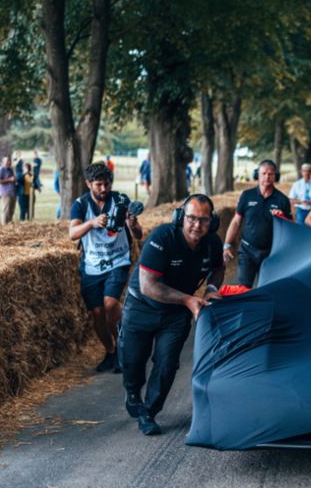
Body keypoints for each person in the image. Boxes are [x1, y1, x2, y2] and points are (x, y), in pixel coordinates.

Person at [120, 194, 224, 435]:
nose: (197, 225)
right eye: (191, 218)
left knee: (166, 363)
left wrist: (211, 288)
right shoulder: (162, 237)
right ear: (180, 217)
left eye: (204, 220)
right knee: (133, 361)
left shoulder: (213, 244)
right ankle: (133, 392)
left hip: (175, 314)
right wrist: (189, 299)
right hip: (141, 306)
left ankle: (149, 412)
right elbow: (148, 286)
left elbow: (219, 268)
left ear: (212, 222)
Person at [69, 162, 144, 373]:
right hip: (91, 265)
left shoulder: (121, 200)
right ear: (88, 183)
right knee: (96, 311)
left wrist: (132, 224)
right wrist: (91, 223)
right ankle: (110, 351)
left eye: (107, 184)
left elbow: (138, 234)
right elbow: (72, 234)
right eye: (99, 185)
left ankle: (122, 348)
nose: (104, 189)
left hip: (118, 260)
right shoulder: (80, 204)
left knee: (110, 304)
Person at [223, 159, 292, 287]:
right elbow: (236, 222)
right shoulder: (246, 196)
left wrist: (282, 217)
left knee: (265, 289)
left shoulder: (282, 200)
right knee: (243, 288)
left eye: (270, 174)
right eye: (263, 173)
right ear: (257, 175)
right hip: (247, 250)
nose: (267, 177)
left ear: (275, 176)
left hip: (270, 253)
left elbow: (290, 228)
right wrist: (226, 245)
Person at [0, 156, 17, 225]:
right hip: (5, 192)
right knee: (6, 210)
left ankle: (9, 223)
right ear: (3, 162)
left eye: (9, 161)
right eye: (7, 161)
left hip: (12, 192)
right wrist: (9, 180)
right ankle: (4, 225)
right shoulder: (1, 169)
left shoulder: (10, 170)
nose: (9, 162)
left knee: (11, 209)